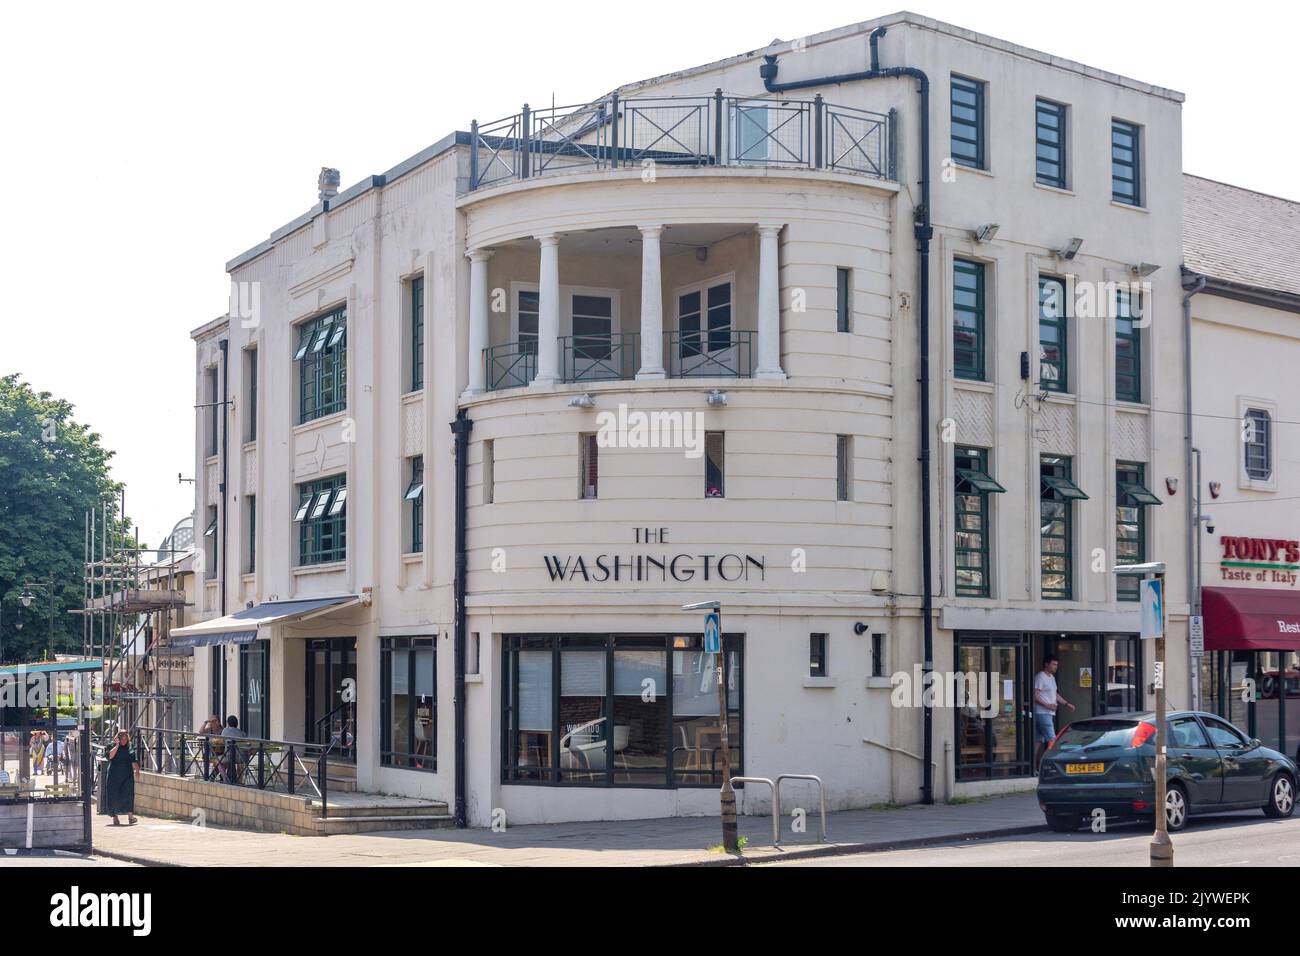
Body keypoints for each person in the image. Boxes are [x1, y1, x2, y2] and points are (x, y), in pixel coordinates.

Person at [1034, 655, 1075, 770]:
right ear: (1046, 664)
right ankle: (1050, 766)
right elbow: (1035, 695)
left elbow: (1055, 694)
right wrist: (1047, 705)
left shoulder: (1051, 677)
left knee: (1038, 740)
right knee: (1052, 740)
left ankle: (1033, 766)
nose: (1056, 667)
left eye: (1056, 664)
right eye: (1053, 664)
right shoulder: (1040, 677)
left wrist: (1066, 704)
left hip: (1047, 713)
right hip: (1042, 713)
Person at [102, 731, 140, 826]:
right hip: (114, 774)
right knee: (114, 795)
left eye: (125, 739)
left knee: (129, 794)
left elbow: (133, 760)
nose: (124, 741)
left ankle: (130, 817)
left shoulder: (129, 746)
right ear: (118, 738)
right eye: (122, 739)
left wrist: (137, 771)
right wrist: (117, 745)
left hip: (127, 774)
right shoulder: (111, 745)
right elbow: (110, 756)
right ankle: (115, 818)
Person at [219, 716, 246, 783]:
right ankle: (239, 781)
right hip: (240, 758)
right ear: (237, 723)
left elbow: (221, 741)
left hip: (229, 757)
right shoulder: (241, 733)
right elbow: (246, 744)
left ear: (228, 723)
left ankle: (226, 779)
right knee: (240, 764)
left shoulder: (225, 730)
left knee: (218, 760)